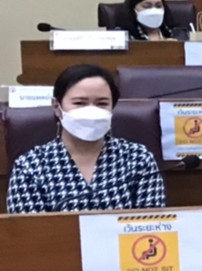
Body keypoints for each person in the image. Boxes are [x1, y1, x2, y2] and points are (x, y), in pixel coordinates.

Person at [6, 64, 166, 215]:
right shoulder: (30, 166)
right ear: (56, 107)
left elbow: (151, 225)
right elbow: (27, 230)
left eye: (102, 103)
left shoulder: (138, 158)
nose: (91, 111)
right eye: (80, 103)